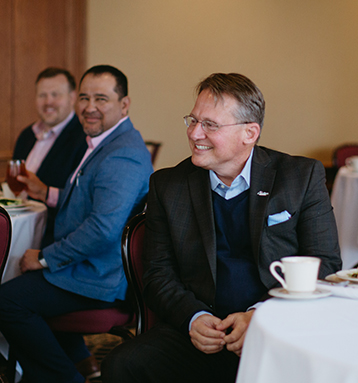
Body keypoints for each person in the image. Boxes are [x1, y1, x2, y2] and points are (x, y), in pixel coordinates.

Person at [102, 73, 341, 383]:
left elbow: (326, 263)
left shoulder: (300, 177)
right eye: (193, 120)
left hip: (279, 328)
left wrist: (261, 316)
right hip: (201, 333)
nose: (194, 133)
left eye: (210, 125)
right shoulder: (168, 185)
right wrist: (194, 318)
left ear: (249, 133)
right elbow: (158, 274)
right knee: (122, 365)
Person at [0, 65, 154, 383]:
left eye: (101, 98)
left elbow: (102, 228)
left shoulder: (121, 155)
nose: (89, 107)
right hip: (87, 264)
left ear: (124, 105)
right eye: (84, 97)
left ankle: (63, 377)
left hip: (98, 276)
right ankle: (69, 363)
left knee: (7, 301)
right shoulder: (101, 142)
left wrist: (45, 258)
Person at [12, 67, 88, 246]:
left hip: (51, 238)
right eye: (42, 95)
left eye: (55, 95)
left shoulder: (84, 139)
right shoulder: (26, 135)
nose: (48, 102)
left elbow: (81, 203)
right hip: (14, 227)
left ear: (72, 97)